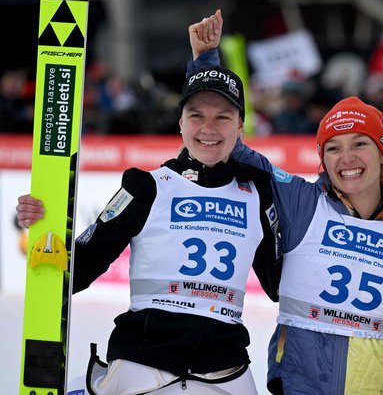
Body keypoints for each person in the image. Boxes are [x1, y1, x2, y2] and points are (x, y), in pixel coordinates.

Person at [187, 10, 383, 394]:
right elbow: (230, 145)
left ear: (382, 152)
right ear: (323, 160)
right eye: (333, 148)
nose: (346, 158)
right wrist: (205, 62)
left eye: (359, 145)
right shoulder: (304, 202)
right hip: (302, 385)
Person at [16, 63, 282, 394]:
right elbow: (82, 264)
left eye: (223, 117)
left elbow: (280, 284)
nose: (208, 128)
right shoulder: (146, 187)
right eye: (196, 116)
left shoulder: (258, 193)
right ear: (180, 123)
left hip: (225, 368)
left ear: (241, 125)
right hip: (143, 360)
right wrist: (44, 227)